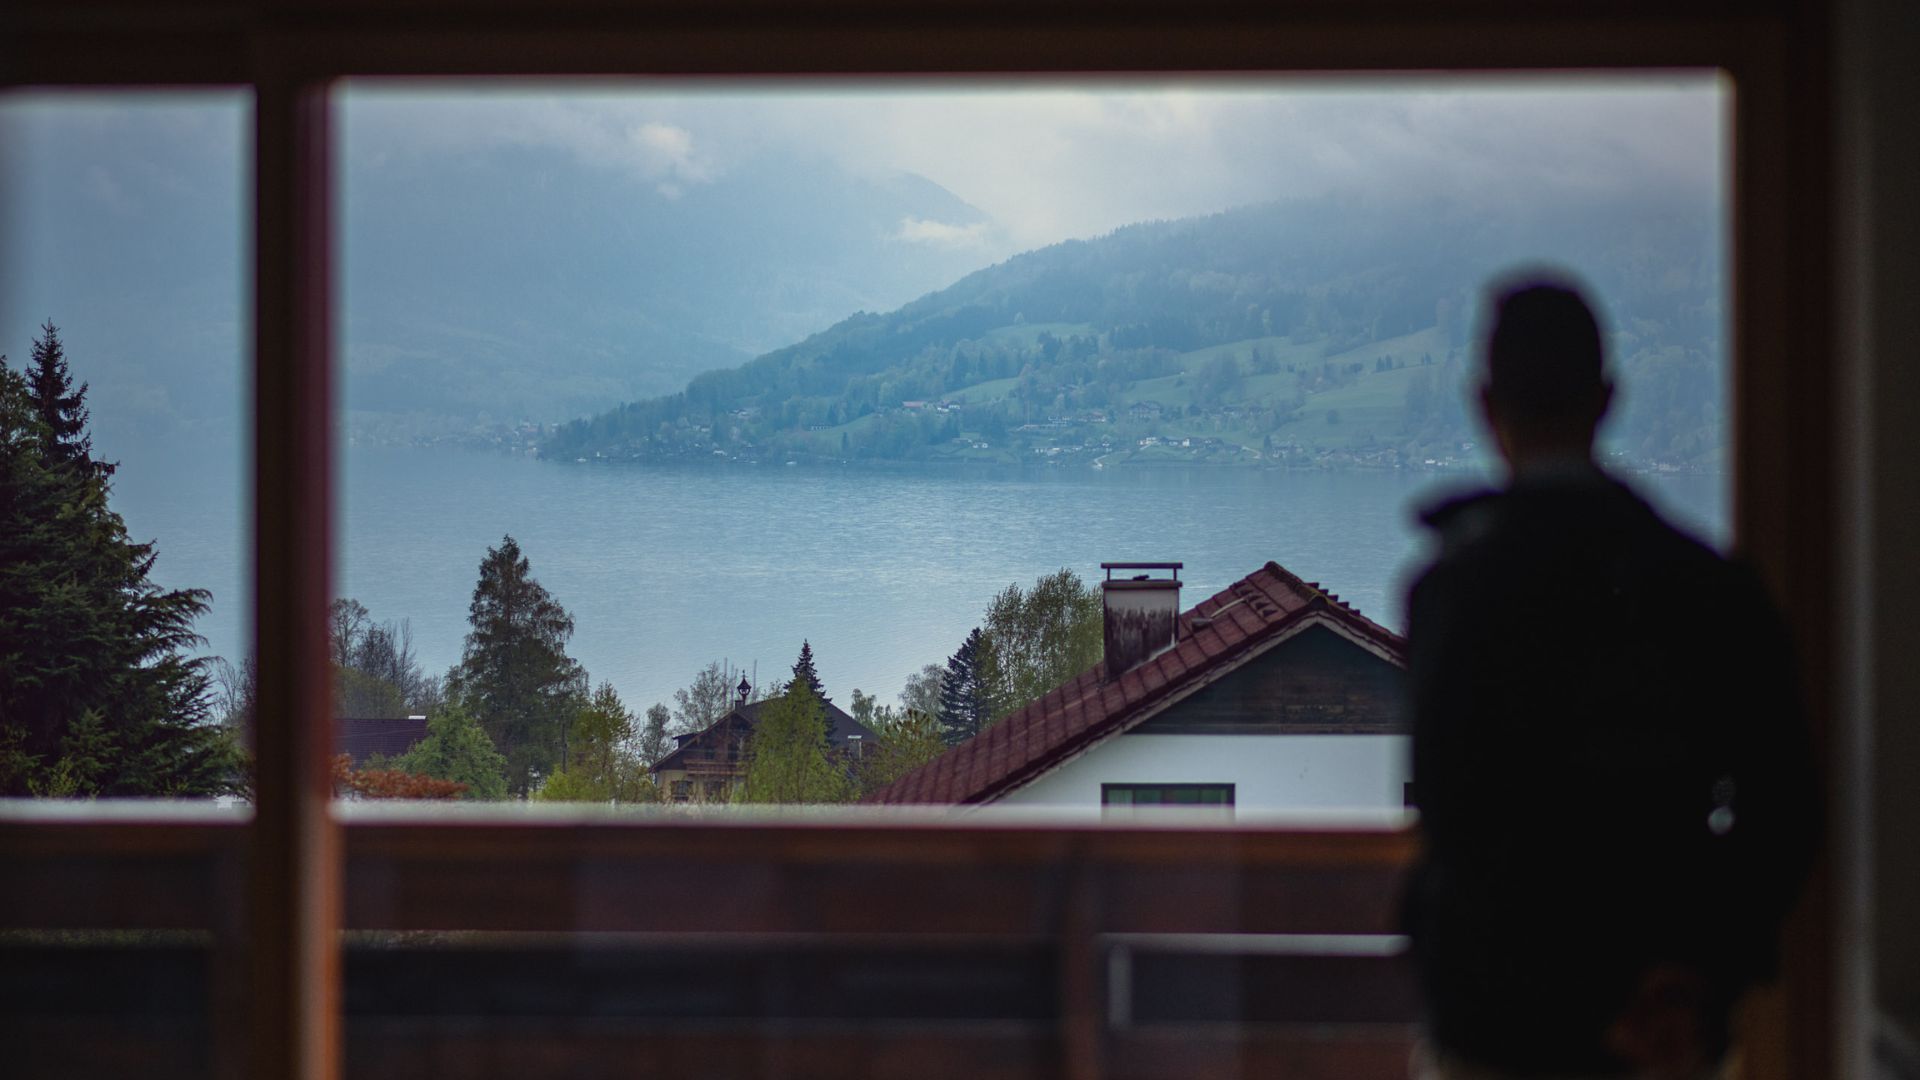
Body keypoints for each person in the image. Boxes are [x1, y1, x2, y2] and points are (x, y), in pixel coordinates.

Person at [1402, 275, 1819, 1079]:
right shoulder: (1709, 587)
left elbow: (1452, 815)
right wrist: (1694, 976)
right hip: (1658, 1018)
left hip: (1494, 1021)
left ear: (1485, 405)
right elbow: (1783, 808)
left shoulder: (1451, 591)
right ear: (1608, 401)